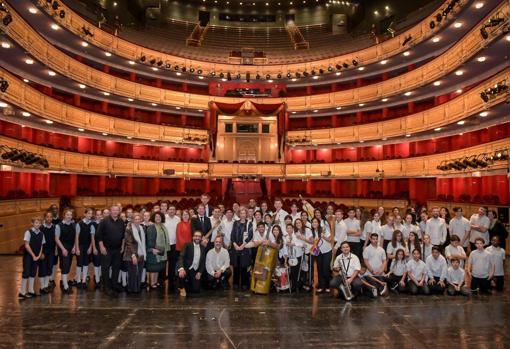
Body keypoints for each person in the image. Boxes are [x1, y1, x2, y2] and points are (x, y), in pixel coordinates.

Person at [18, 217, 45, 299]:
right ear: (32, 223)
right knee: (26, 272)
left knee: (33, 273)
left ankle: (31, 290)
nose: (37, 224)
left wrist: (38, 255)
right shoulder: (28, 232)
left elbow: (41, 246)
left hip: (36, 256)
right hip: (28, 256)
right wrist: (33, 255)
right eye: (36, 223)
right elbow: (26, 245)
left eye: (39, 223)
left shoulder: (41, 234)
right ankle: (22, 292)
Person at [177, 231, 206, 297]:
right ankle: (181, 287)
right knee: (182, 274)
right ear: (193, 237)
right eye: (196, 236)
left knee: (196, 290)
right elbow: (181, 256)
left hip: (195, 270)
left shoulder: (203, 248)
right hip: (186, 268)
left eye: (199, 236)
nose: (197, 237)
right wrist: (181, 268)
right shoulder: (187, 245)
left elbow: (202, 262)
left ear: (201, 238)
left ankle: (187, 284)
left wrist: (199, 272)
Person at [123, 212, 146, 294]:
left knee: (139, 272)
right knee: (132, 272)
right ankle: (131, 288)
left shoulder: (142, 228)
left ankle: (137, 288)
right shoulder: (129, 229)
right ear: (132, 220)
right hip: (131, 254)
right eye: (135, 219)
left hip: (141, 253)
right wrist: (133, 255)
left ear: (140, 220)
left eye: (138, 219)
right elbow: (128, 243)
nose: (137, 220)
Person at [230, 208, 253, 290]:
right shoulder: (235, 223)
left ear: (246, 214)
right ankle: (235, 283)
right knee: (236, 266)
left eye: (244, 213)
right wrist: (235, 244)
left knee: (244, 266)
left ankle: (244, 283)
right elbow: (232, 235)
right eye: (241, 213)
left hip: (245, 247)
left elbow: (250, 235)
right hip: (236, 247)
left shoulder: (249, 223)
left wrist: (243, 245)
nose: (243, 215)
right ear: (239, 214)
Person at [145, 211, 168, 290]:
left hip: (161, 250)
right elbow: (150, 241)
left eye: (159, 217)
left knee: (157, 267)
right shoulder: (151, 227)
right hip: (153, 250)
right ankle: (151, 283)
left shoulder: (162, 226)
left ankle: (155, 282)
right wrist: (153, 249)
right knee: (153, 267)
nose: (158, 218)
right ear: (153, 218)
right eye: (156, 217)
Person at [55, 209, 76, 294]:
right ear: (64, 215)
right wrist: (63, 249)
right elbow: (56, 239)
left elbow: (75, 237)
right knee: (65, 265)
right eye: (67, 215)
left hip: (71, 247)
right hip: (63, 247)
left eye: (70, 215)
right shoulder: (59, 226)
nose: (69, 216)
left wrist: (74, 246)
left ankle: (64, 281)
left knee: (68, 265)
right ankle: (65, 286)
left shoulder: (74, 225)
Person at [310, 217, 333, 293]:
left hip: (327, 251)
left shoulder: (323, 229)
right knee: (319, 269)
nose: (314, 223)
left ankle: (328, 285)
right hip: (318, 252)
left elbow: (330, 240)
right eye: (313, 222)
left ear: (318, 223)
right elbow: (312, 242)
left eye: (316, 222)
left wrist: (323, 236)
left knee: (326, 269)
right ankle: (321, 286)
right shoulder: (312, 231)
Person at [75, 208, 95, 289]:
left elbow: (92, 237)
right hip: (80, 245)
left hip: (87, 246)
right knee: (79, 263)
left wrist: (90, 247)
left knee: (86, 263)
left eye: (91, 214)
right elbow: (76, 237)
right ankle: (78, 280)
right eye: (88, 213)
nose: (90, 215)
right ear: (85, 214)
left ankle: (83, 281)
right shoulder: (79, 224)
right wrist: (77, 248)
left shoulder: (92, 224)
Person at [283, 223, 304, 292]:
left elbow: (302, 244)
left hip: (297, 256)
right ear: (286, 229)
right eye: (287, 228)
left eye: (290, 228)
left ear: (292, 229)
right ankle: (292, 286)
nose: (289, 229)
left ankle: (296, 286)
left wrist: (294, 244)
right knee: (291, 272)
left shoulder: (297, 236)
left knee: (297, 272)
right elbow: (285, 249)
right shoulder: (285, 237)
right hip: (290, 257)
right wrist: (285, 260)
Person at [163, 204, 180, 289]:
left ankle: (171, 280)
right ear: (167, 210)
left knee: (172, 263)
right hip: (164, 244)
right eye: (170, 209)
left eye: (173, 209)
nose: (172, 211)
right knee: (163, 263)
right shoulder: (164, 218)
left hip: (174, 244)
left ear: (175, 211)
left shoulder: (178, 219)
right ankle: (162, 280)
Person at [39, 211, 56, 294]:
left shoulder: (54, 227)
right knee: (43, 268)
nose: (49, 218)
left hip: (51, 251)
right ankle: (42, 287)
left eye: (50, 217)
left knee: (49, 267)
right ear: (45, 218)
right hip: (43, 251)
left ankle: (46, 285)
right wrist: (41, 253)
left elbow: (56, 239)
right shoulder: (41, 228)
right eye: (47, 217)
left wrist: (56, 250)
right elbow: (38, 242)